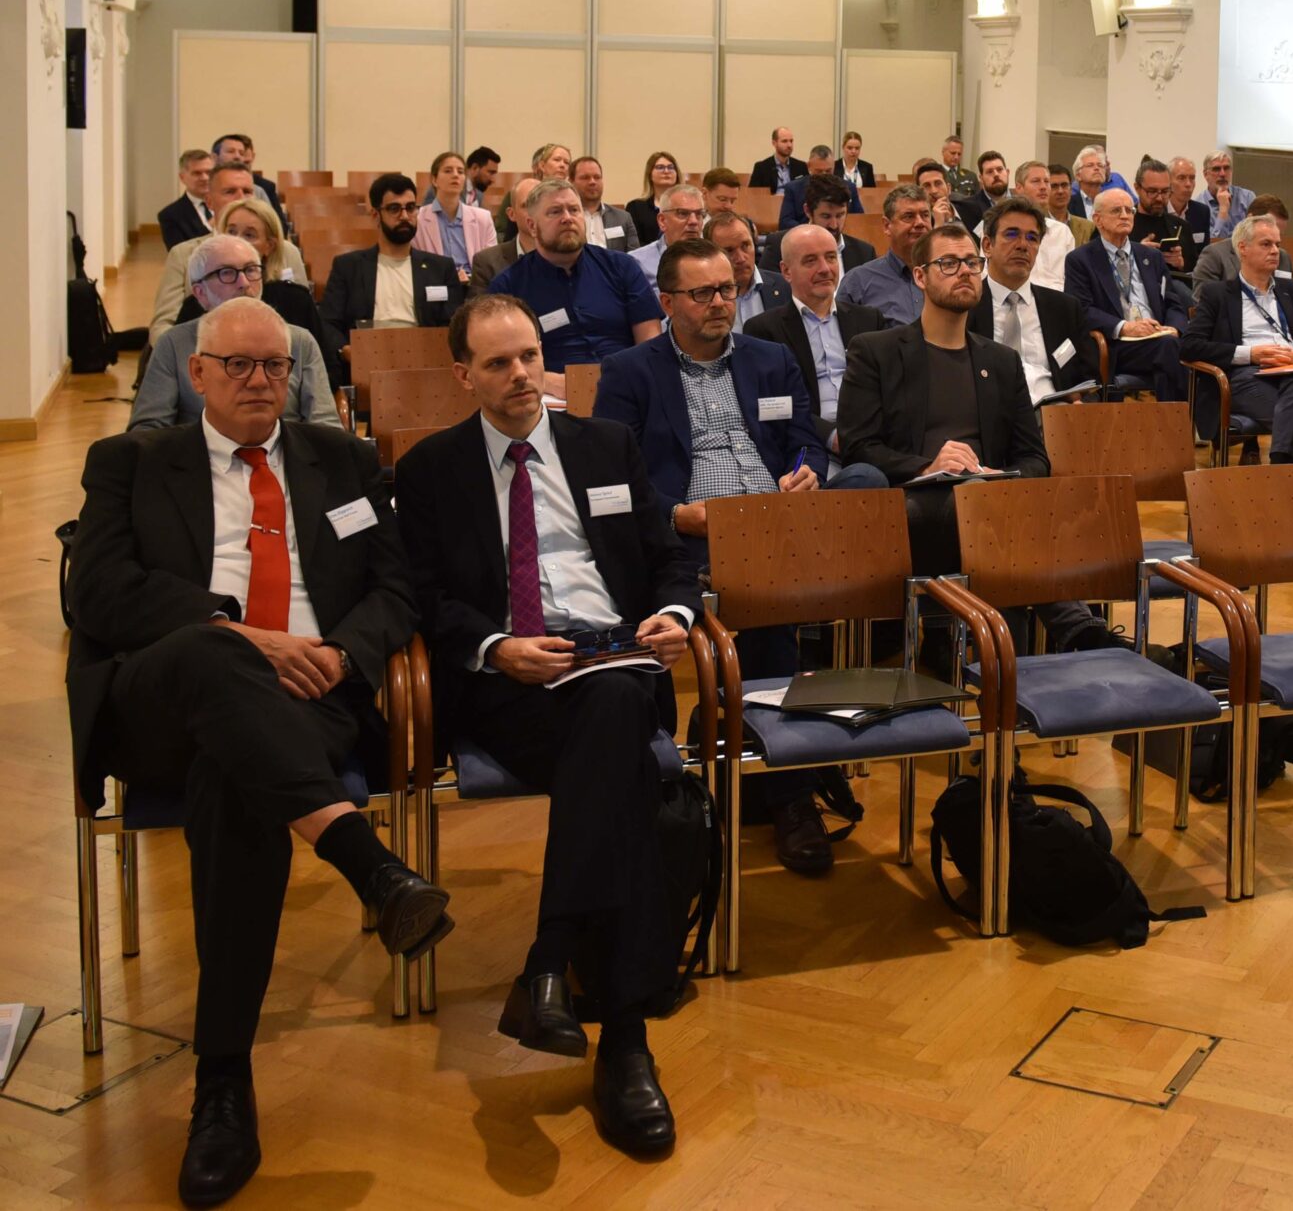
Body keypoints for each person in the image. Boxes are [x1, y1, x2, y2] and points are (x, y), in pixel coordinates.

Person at [68, 297, 445, 1206]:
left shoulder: (342, 460)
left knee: (233, 777)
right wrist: (241, 633)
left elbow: (396, 590)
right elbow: (101, 593)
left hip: (309, 697)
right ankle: (366, 862)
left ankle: (223, 1084)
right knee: (214, 652)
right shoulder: (131, 462)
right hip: (164, 696)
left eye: (275, 365)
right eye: (237, 364)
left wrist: (339, 655)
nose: (258, 381)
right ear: (196, 373)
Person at [394, 294, 695, 1155]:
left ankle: (555, 966)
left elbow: (667, 556)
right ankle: (622, 1042)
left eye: (529, 355)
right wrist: (497, 645)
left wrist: (675, 613)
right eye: (498, 363)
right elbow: (422, 598)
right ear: (464, 375)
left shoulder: (605, 444)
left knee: (615, 702)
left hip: (616, 658)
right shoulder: (432, 469)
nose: (522, 374)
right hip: (511, 685)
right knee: (622, 767)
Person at [593, 241, 852, 872]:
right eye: (702, 293)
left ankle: (781, 784)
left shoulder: (770, 359)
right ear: (667, 302)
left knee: (781, 591)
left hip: (769, 524)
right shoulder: (630, 371)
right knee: (747, 606)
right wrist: (674, 514)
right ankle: (726, 787)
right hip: (682, 534)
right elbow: (609, 476)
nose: (719, 303)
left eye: (727, 290)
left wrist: (806, 473)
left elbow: (804, 441)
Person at [835, 223, 1106, 658]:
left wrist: (1001, 476)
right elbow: (858, 446)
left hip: (989, 508)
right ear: (920, 276)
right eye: (948, 263)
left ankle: (1025, 659)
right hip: (909, 512)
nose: (964, 271)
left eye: (971, 263)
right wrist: (927, 466)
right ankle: (1081, 632)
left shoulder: (1000, 360)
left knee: (1035, 502)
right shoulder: (876, 351)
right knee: (987, 505)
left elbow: (1034, 457)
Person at [134, 237, 336, 431]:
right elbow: (147, 429)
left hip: (285, 450)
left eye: (251, 270)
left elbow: (325, 425)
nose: (244, 283)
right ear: (200, 292)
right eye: (227, 273)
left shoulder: (300, 341)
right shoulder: (173, 343)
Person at [489, 179, 662, 389]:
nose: (567, 218)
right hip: (550, 394)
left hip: (626, 386)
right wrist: (553, 383)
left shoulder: (622, 267)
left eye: (574, 210)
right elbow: (504, 359)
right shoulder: (508, 287)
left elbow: (650, 342)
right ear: (532, 226)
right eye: (555, 212)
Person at [744, 224, 889, 473]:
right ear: (786, 271)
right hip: (809, 445)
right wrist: (831, 436)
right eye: (810, 261)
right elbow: (774, 406)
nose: (825, 269)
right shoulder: (764, 330)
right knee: (865, 477)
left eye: (831, 257)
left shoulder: (869, 319)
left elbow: (887, 391)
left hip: (872, 440)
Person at [1182, 212, 1293, 458]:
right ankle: (1292, 470)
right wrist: (1250, 354)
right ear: (1242, 248)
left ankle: (1281, 463)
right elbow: (1189, 346)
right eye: (1266, 244)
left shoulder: (1291, 289)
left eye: (1277, 244)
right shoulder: (1217, 294)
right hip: (1246, 376)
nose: (1275, 251)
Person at [317, 174, 463, 379]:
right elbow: (328, 322)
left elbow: (454, 325)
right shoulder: (348, 267)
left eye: (410, 208)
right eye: (394, 209)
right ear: (376, 215)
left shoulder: (441, 268)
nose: (404, 216)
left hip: (425, 364)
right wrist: (346, 350)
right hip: (367, 364)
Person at [155, 160, 312, 337]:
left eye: (247, 191)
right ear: (209, 201)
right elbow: (163, 325)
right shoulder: (183, 255)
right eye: (230, 192)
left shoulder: (286, 251)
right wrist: (181, 349)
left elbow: (304, 315)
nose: (241, 198)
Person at [971, 197, 1102, 404]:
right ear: (987, 245)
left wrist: (1080, 407)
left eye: (1032, 238)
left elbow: (1091, 383)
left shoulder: (1064, 308)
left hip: (1056, 412)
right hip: (989, 413)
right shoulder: (967, 306)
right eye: (1011, 234)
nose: (1023, 245)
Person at [1062, 187, 1187, 399]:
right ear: (1097, 219)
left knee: (1182, 345)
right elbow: (1081, 309)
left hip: (1159, 336)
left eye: (1129, 210)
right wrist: (1125, 327)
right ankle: (1182, 417)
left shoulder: (1151, 256)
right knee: (1170, 350)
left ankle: (1170, 415)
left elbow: (1173, 303)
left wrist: (1174, 328)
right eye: (1116, 210)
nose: (1125, 215)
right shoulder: (1080, 259)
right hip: (1117, 344)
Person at [195, 197, 334, 360]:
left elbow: (325, 364)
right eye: (231, 232)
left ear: (270, 246)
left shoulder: (296, 301)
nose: (237, 241)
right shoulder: (202, 298)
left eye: (249, 235)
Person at [839, 183, 934, 324]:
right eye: (909, 216)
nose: (920, 223)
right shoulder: (858, 282)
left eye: (925, 215)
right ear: (886, 225)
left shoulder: (947, 274)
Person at [994, 162, 1074, 290]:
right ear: (1019, 188)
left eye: (1046, 182)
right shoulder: (999, 226)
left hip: (1058, 297)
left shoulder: (1062, 232)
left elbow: (1071, 277)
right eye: (1036, 181)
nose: (1043, 187)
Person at [419, 151, 497, 282]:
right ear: (434, 180)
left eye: (460, 172)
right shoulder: (418, 219)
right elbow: (417, 264)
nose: (455, 175)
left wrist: (471, 278)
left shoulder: (483, 218)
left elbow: (491, 263)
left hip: (474, 285)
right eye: (448, 171)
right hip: (435, 285)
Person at [1192, 196, 1292, 291]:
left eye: (1279, 234)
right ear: (1249, 219)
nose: (1275, 250)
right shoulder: (1215, 255)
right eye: (1266, 243)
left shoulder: (1283, 257)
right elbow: (1203, 300)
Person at [707, 210, 791, 323]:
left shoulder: (786, 286)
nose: (741, 258)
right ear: (711, 254)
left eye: (745, 245)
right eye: (729, 251)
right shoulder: (704, 297)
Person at [212, 134, 293, 239]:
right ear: (214, 157)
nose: (237, 156)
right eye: (231, 151)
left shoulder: (260, 190)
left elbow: (275, 228)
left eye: (241, 153)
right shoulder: (203, 188)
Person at [471, 174, 546, 285]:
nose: (535, 212)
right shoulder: (486, 262)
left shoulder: (565, 257)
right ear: (511, 214)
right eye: (526, 205)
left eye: (540, 204)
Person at [795, 174, 877, 273]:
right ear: (808, 211)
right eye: (826, 216)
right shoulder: (784, 249)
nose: (834, 225)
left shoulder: (865, 254)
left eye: (839, 215)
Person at [628, 182, 708, 280]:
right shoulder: (637, 262)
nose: (693, 221)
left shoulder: (714, 258)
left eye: (699, 214)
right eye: (683, 213)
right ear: (662, 221)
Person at [1129, 156, 1192, 275]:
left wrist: (1181, 264)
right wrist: (1136, 254)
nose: (1159, 198)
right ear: (1137, 188)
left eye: (1165, 192)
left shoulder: (1181, 226)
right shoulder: (1122, 224)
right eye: (1152, 191)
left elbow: (1195, 270)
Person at [570, 156, 638, 253]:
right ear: (571, 182)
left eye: (597, 177)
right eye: (585, 177)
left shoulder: (623, 218)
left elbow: (634, 256)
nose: (592, 182)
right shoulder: (566, 218)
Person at [778, 145, 851, 228]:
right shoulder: (794, 188)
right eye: (819, 171)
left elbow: (858, 218)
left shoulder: (848, 188)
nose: (824, 175)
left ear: (834, 166)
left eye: (828, 171)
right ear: (809, 166)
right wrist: (809, 230)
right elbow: (785, 222)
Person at [159, 149, 217, 248]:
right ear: (182, 178)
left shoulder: (229, 204)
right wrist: (211, 224)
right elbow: (178, 252)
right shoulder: (170, 215)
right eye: (197, 173)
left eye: (209, 172)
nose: (205, 178)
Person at [626, 151, 682, 247]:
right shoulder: (635, 207)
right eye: (660, 167)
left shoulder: (687, 206)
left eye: (671, 167)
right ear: (650, 174)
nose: (666, 171)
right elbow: (635, 243)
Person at [1199, 149, 1256, 243]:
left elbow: (1255, 236)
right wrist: (1223, 210)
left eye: (1226, 168)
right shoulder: (1199, 206)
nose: (1222, 174)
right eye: (1216, 169)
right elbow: (1213, 245)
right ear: (1206, 174)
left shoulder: (1247, 197)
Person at [1038, 163, 1095, 248]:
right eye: (1054, 186)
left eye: (1064, 185)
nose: (1060, 191)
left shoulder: (1087, 227)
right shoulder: (1038, 223)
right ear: (1046, 189)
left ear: (1071, 189)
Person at [1066, 145, 1128, 217]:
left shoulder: (1113, 203)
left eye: (1100, 165)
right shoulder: (1068, 204)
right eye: (1090, 165)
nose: (1096, 168)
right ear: (1078, 175)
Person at [955, 149, 1007, 232]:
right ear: (981, 178)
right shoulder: (968, 208)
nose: (996, 174)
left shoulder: (1021, 204)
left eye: (999, 169)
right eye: (990, 171)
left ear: (1007, 172)